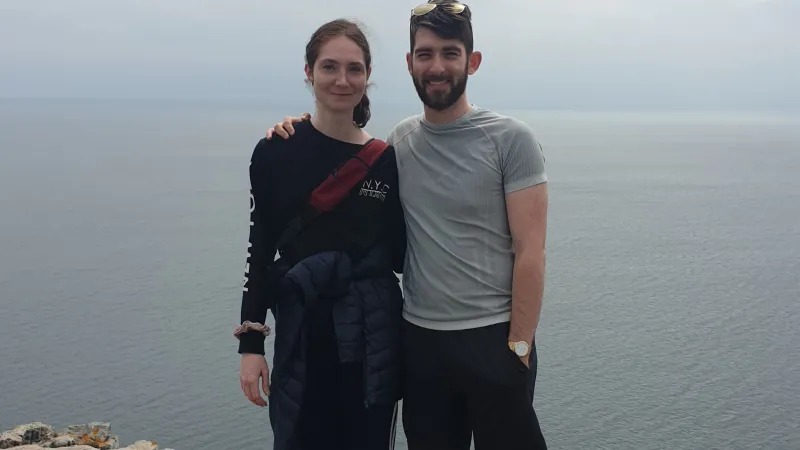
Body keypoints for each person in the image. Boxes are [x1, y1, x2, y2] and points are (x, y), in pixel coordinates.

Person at [265, 1, 549, 449]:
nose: (437, 66)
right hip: (419, 343)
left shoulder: (511, 139)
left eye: (450, 53)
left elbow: (531, 250)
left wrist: (518, 346)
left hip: (492, 337)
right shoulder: (399, 142)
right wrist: (298, 127)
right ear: (409, 63)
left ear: (472, 62)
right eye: (425, 54)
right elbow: (341, 144)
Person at [235, 18, 407, 450]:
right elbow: (259, 251)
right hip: (303, 336)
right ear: (309, 72)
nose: (342, 80)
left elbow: (403, 255)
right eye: (330, 67)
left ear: (368, 78)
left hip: (371, 340)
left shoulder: (385, 161)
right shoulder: (275, 151)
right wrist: (251, 346)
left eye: (354, 69)